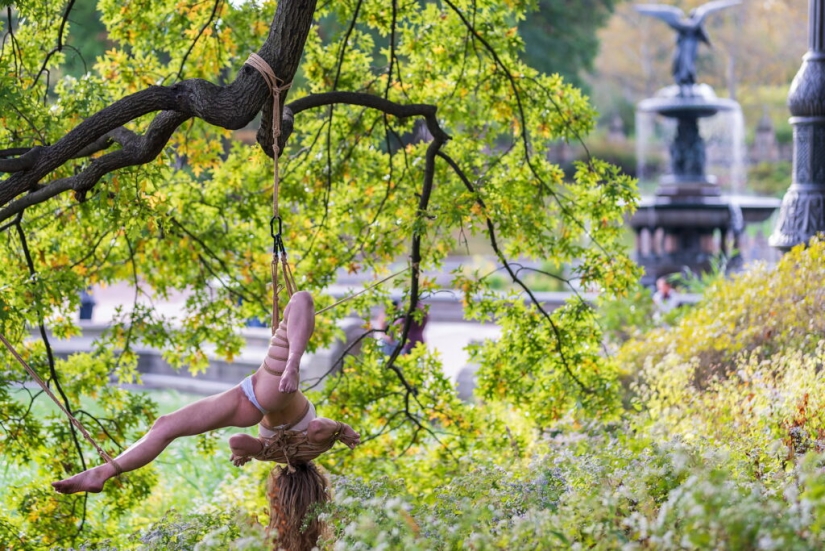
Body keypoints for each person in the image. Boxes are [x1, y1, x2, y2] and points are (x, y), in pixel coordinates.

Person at [52, 291, 360, 494]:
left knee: (302, 298)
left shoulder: (310, 450)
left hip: (271, 389)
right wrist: (246, 453)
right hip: (252, 398)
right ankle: (105, 472)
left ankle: (294, 362)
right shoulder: (275, 456)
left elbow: (318, 427)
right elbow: (236, 440)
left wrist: (342, 430)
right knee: (164, 425)